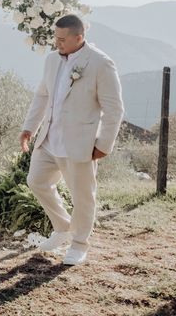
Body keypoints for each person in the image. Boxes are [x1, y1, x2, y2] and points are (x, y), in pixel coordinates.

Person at [19, 14, 124, 265]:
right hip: (48, 139)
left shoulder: (100, 63)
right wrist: (28, 128)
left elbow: (114, 109)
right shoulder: (52, 60)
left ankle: (79, 244)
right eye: (56, 38)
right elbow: (42, 96)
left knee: (82, 197)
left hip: (80, 143)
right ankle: (63, 227)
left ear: (79, 37)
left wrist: (103, 145)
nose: (58, 43)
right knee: (36, 181)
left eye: (63, 39)